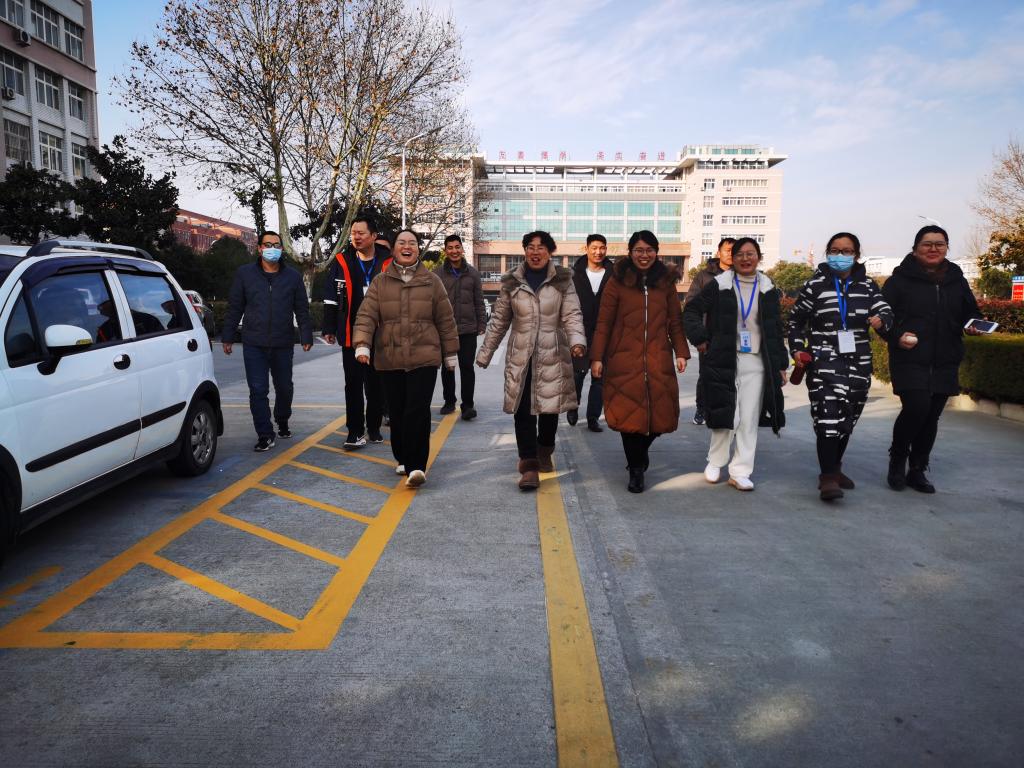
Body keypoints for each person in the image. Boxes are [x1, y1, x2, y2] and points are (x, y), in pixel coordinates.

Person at [476, 231, 587, 490]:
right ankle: (528, 465)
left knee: (549, 411)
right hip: (521, 356)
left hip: (552, 354)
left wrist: (577, 341)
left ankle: (544, 449)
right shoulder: (512, 282)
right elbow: (500, 319)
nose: (535, 252)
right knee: (523, 410)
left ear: (550, 252)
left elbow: (572, 314)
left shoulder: (563, 280)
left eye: (541, 247)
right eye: (530, 247)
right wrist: (485, 352)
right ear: (525, 251)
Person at [787, 232, 894, 501]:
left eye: (847, 251)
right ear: (828, 253)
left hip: (858, 363)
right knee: (827, 418)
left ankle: (834, 468)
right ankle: (827, 477)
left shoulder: (868, 286)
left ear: (856, 255)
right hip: (823, 362)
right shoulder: (815, 285)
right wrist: (797, 349)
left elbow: (886, 312)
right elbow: (795, 320)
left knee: (847, 419)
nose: (840, 255)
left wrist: (882, 320)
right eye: (835, 250)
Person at [881, 225, 985, 494]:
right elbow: (882, 319)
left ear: (947, 248)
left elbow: (970, 312)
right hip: (909, 357)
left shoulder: (957, 279)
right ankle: (897, 459)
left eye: (940, 244)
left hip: (945, 358)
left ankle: (917, 469)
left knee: (931, 416)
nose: (933, 249)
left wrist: (974, 324)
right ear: (915, 249)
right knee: (916, 408)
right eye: (927, 244)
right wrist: (897, 337)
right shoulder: (899, 281)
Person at [352, 229, 459, 487]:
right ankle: (402, 457)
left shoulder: (432, 281)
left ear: (418, 249)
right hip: (390, 357)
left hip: (425, 356)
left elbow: (445, 319)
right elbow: (366, 315)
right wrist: (362, 345)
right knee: (398, 412)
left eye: (412, 243)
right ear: (394, 249)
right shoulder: (380, 282)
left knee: (418, 410)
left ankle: (417, 465)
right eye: (402, 242)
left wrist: (450, 353)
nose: (407, 246)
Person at [682, 237, 788, 491]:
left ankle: (740, 471)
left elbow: (775, 328)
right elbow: (691, 310)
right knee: (727, 413)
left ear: (758, 257)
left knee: (749, 418)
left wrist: (781, 364)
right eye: (740, 254)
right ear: (732, 258)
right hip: (724, 359)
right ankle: (715, 461)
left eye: (751, 254)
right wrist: (701, 339)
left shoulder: (768, 287)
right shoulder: (720, 284)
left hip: (756, 362)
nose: (745, 258)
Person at [590, 231, 689, 493]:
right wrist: (597, 357)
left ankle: (641, 453)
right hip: (623, 358)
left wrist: (681, 351)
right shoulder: (617, 281)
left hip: (658, 357)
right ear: (630, 252)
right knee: (628, 416)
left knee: (661, 414)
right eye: (639, 250)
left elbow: (675, 321)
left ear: (656, 252)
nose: (644, 255)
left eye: (649, 250)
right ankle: (636, 469)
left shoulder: (665, 283)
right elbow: (604, 322)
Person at [221, 231, 313, 452]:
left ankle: (282, 419)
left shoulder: (292, 277)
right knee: (258, 390)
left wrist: (306, 336)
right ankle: (265, 434)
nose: (272, 248)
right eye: (267, 244)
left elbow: (302, 309)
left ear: (281, 249)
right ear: (259, 248)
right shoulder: (245, 274)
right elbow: (235, 307)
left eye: (276, 245)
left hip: (283, 342)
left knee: (284, 387)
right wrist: (228, 336)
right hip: (254, 342)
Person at [322, 216, 392, 449]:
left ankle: (374, 427)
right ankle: (354, 431)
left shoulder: (388, 262)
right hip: (350, 335)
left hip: (380, 336)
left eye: (361, 233)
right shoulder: (342, 261)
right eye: (353, 233)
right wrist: (329, 327)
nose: (356, 237)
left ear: (373, 236)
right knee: (352, 385)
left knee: (376, 386)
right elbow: (331, 299)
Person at [683, 237, 735, 426]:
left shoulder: (744, 275)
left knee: (736, 375)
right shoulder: (704, 276)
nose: (731, 254)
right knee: (707, 374)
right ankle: (702, 409)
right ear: (719, 252)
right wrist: (699, 335)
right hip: (710, 336)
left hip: (737, 337)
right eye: (727, 250)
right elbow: (691, 305)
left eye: (734, 251)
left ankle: (732, 410)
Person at [438, 234, 487, 420]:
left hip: (468, 329)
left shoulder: (472, 273)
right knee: (448, 367)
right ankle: (449, 401)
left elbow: (479, 301)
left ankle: (468, 405)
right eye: (450, 247)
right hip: (446, 330)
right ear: (445, 251)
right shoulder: (437, 274)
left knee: (467, 367)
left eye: (457, 247)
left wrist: (482, 323)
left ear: (462, 249)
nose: (454, 251)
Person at [570, 233, 613, 432]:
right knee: (578, 374)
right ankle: (573, 405)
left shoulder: (614, 275)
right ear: (586, 249)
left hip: (605, 334)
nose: (598, 252)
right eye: (594, 247)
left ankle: (593, 418)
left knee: (600, 379)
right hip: (580, 332)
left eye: (602, 247)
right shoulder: (574, 274)